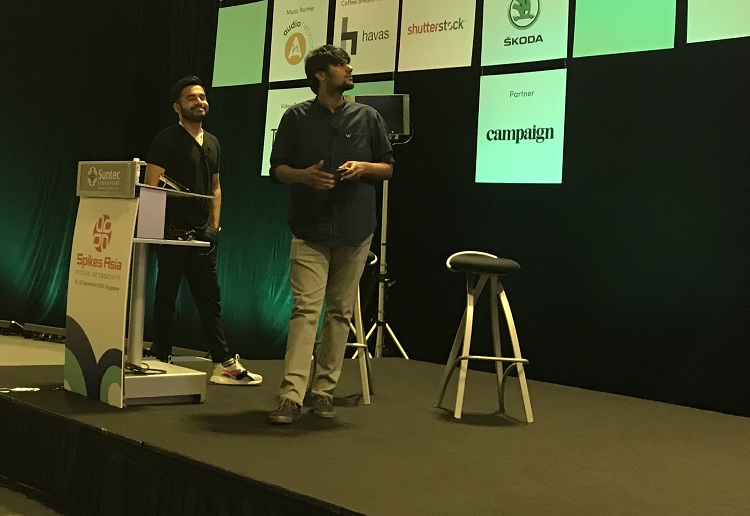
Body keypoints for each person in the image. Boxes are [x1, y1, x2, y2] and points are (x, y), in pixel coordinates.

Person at [268, 45, 394, 423]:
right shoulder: (295, 117)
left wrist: (364, 167)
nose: (349, 69)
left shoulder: (368, 116)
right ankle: (291, 396)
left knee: (339, 313)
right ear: (321, 75)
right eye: (341, 65)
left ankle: (323, 391)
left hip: (355, 229)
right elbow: (277, 169)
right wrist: (302, 176)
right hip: (310, 228)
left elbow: (388, 167)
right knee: (306, 311)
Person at [144, 75, 262, 386]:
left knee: (210, 299)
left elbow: (215, 187)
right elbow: (151, 186)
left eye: (202, 96)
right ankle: (161, 357)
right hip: (171, 232)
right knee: (166, 296)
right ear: (177, 107)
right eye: (191, 98)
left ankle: (223, 362)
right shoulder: (166, 140)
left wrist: (214, 227)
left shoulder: (213, 142)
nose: (199, 102)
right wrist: (155, 232)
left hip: (202, 236)